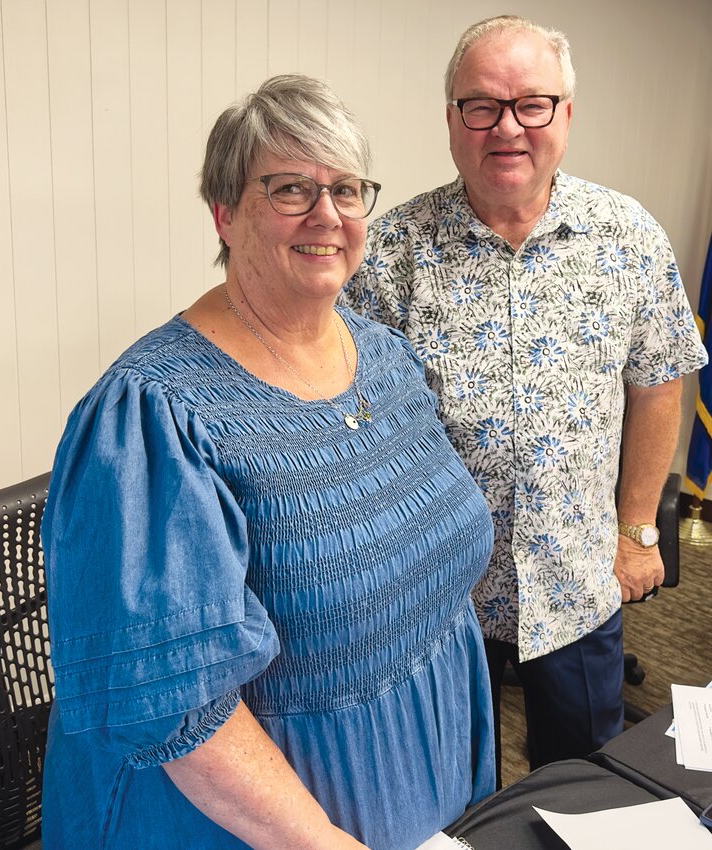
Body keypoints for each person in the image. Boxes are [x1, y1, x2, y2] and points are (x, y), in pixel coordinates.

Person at [41, 74, 495, 850]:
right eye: (291, 188)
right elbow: (180, 708)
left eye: (348, 190)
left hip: (433, 783)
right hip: (254, 826)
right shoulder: (154, 414)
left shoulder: (383, 354)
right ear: (225, 212)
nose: (328, 215)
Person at [342, 16, 708, 784]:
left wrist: (639, 529)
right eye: (481, 105)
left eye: (531, 104)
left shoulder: (628, 238)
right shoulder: (395, 252)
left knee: (583, 787)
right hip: (439, 592)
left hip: (577, 580)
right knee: (444, 788)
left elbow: (660, 382)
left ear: (565, 116)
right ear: (452, 121)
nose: (507, 127)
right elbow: (354, 419)